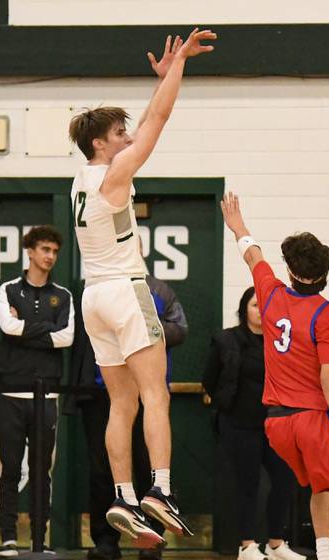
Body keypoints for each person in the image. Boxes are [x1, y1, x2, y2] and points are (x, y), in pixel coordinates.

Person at [69, 28, 215, 547]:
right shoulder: (115, 176)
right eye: (118, 134)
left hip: (93, 298)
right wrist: (181, 67)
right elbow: (159, 121)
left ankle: (125, 499)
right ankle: (161, 490)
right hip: (127, 291)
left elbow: (145, 120)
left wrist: (162, 77)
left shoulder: (80, 180)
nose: (127, 139)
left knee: (121, 406)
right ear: (99, 143)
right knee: (156, 395)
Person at [220, 192, 329, 560]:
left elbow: (252, 255)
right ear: (325, 274)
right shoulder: (328, 315)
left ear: (290, 271)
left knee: (321, 488)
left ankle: (324, 554)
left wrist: (238, 224)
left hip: (277, 425)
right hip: (311, 419)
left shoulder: (272, 295)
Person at [65, 262, 189, 560]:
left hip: (146, 392)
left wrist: (141, 328)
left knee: (150, 465)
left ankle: (152, 540)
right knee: (102, 472)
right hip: (102, 391)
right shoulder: (95, 290)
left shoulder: (157, 290)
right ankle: (106, 541)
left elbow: (180, 328)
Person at [203, 286, 306, 560]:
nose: (261, 311)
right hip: (239, 425)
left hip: (276, 426)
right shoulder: (227, 340)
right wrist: (226, 406)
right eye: (254, 305)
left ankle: (275, 544)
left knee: (284, 481)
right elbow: (209, 381)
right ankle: (247, 545)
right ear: (243, 309)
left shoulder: (282, 342)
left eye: (265, 305)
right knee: (247, 485)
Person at [0, 225, 74, 557]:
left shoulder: (64, 295)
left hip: (47, 396)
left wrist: (25, 328)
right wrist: (47, 330)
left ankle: (38, 540)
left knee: (43, 472)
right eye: (44, 249)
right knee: (9, 469)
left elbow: (67, 337)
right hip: (10, 395)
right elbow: (6, 326)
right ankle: (8, 538)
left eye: (54, 251)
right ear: (29, 251)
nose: (49, 256)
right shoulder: (8, 290)